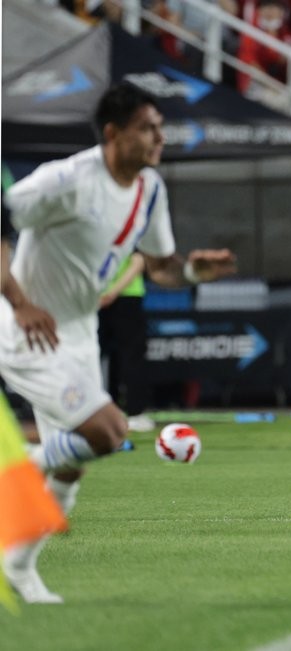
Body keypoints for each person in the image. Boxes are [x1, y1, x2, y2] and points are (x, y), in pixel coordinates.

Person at [0, 83, 237, 603]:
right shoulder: (67, 180)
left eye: (159, 126)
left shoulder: (150, 189)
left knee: (73, 462)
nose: (158, 137)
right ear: (113, 134)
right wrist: (19, 302)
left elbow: (159, 269)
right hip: (28, 329)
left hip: (78, 332)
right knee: (109, 431)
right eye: (146, 128)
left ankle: (17, 567)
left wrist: (195, 272)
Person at [98, 252, 153, 433]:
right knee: (95, 357)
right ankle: (102, 414)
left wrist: (112, 292)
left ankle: (134, 413)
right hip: (98, 298)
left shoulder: (130, 225)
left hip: (126, 295)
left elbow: (139, 261)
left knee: (131, 355)